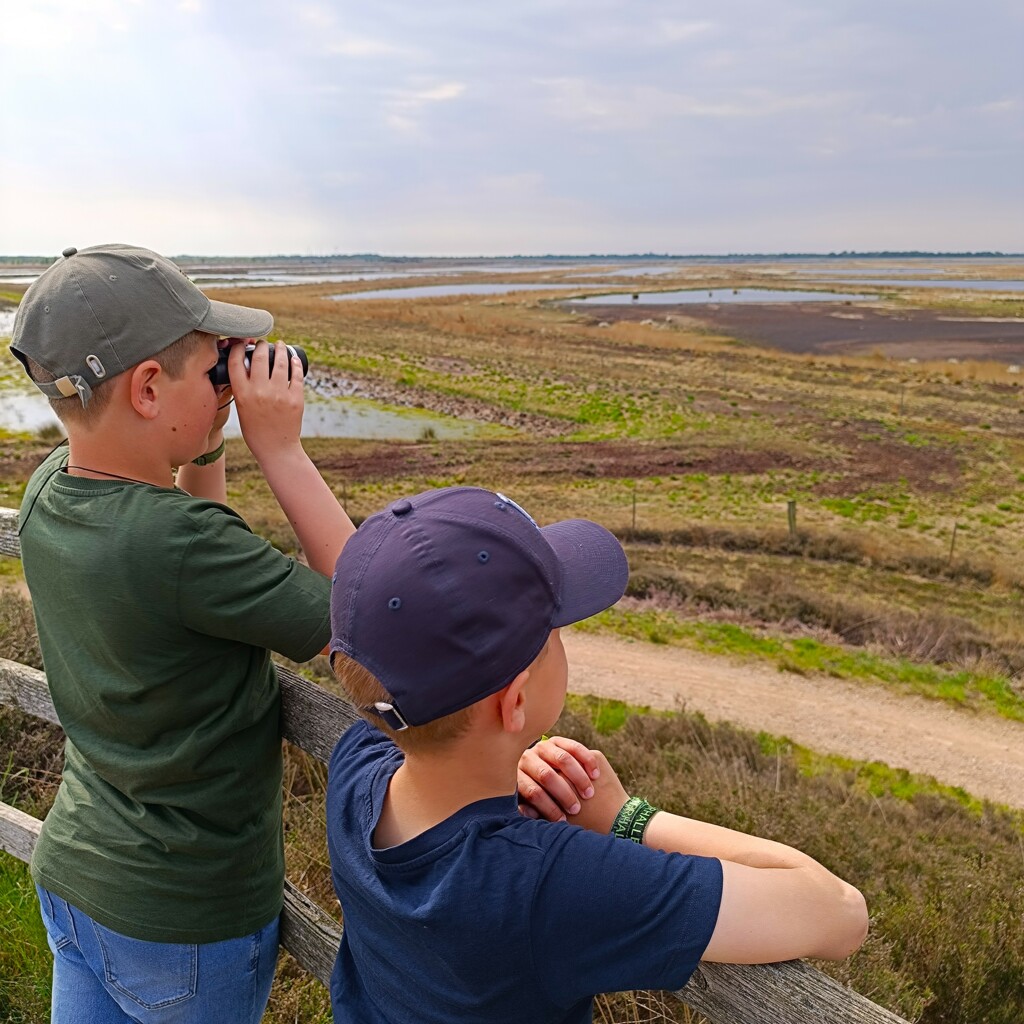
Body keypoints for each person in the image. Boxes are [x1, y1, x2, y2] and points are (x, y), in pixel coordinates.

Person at [325, 486, 869, 1024]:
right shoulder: (549, 884)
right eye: (554, 630)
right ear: (514, 702)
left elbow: (393, 679)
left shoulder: (358, 767)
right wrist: (622, 816)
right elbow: (840, 912)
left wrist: (506, 758)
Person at [11, 243, 356, 1024]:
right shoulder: (182, 546)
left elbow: (191, 551)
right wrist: (282, 449)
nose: (225, 385)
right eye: (213, 371)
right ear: (145, 388)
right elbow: (367, 621)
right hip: (185, 921)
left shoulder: (48, 493)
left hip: (78, 875)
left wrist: (201, 435)